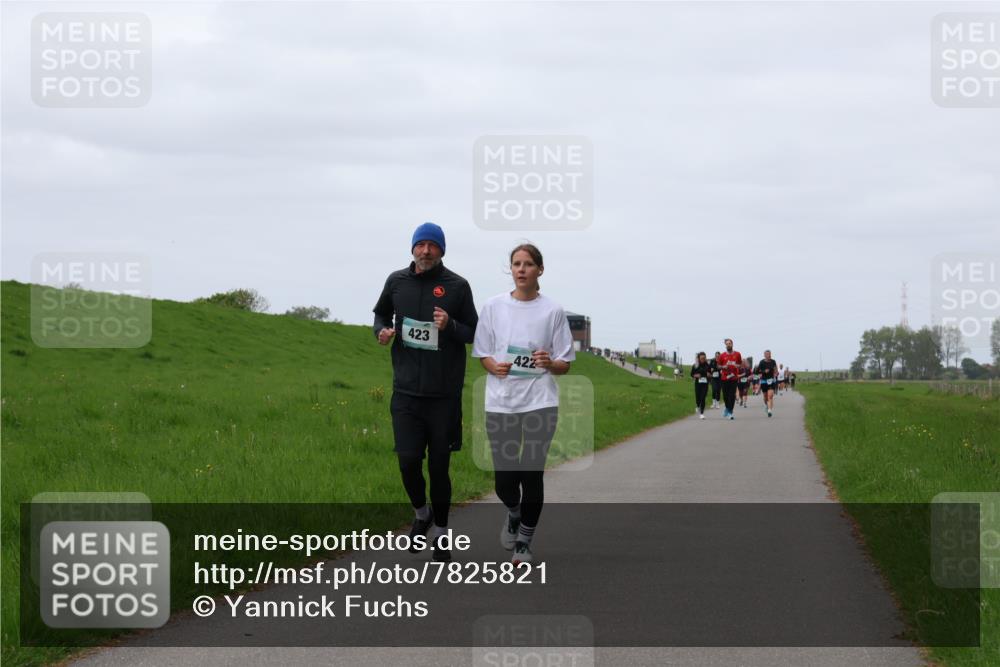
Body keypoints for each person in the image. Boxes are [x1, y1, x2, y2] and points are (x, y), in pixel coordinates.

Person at [373, 222, 478, 562]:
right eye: (422, 245)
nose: (426, 251)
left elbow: (474, 332)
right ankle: (422, 514)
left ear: (442, 251)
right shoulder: (396, 281)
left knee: (439, 467)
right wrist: (383, 331)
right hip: (405, 392)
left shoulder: (457, 286)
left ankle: (444, 535)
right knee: (407, 462)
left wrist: (450, 326)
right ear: (413, 249)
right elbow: (379, 314)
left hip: (443, 396)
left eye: (433, 245)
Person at [472, 243, 574, 566]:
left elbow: (565, 362)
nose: (521, 269)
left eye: (528, 264)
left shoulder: (553, 311)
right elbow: (482, 353)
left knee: (531, 474)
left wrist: (549, 362)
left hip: (540, 401)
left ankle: (524, 544)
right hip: (501, 402)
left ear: (539, 270)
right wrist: (493, 366)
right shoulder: (492, 307)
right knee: (504, 480)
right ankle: (513, 513)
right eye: (516, 263)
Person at [718, 339, 743, 419]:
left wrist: (737, 366)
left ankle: (730, 412)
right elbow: (718, 366)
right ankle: (727, 408)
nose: (728, 345)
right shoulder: (722, 355)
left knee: (732, 396)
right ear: (725, 345)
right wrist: (723, 367)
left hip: (734, 378)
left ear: (732, 344)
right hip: (724, 378)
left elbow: (740, 364)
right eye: (727, 344)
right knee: (725, 396)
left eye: (730, 343)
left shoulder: (737, 354)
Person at [757, 350, 778, 417]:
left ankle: (769, 410)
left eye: (768, 354)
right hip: (764, 381)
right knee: (765, 397)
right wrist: (764, 371)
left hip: (771, 380)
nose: (767, 355)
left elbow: (776, 370)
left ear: (770, 355)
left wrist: (775, 374)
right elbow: (758, 371)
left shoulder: (773, 361)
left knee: (770, 396)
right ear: (764, 355)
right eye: (766, 354)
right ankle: (767, 405)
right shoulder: (761, 362)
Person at [690, 352, 711, 419]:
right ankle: (698, 405)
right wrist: (696, 375)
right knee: (698, 398)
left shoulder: (707, 365)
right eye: (701, 358)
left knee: (703, 398)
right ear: (699, 358)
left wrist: (709, 375)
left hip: (705, 384)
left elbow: (710, 374)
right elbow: (691, 374)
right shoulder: (695, 365)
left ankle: (702, 413)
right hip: (698, 384)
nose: (703, 359)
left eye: (704, 358)